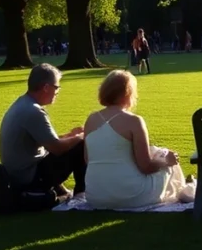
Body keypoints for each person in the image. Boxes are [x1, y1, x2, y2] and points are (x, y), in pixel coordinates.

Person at [83, 70, 193, 209]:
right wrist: (166, 161)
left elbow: (88, 159)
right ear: (128, 93)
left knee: (157, 153)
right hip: (131, 195)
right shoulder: (134, 121)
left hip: (96, 196)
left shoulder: (91, 120)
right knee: (166, 156)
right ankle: (184, 191)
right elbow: (146, 167)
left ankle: (183, 187)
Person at [0, 64, 87, 198]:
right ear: (46, 87)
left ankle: (61, 191)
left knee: (73, 142)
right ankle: (81, 195)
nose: (58, 91)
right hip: (28, 178)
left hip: (17, 174)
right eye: (57, 87)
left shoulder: (22, 104)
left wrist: (70, 136)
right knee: (81, 145)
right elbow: (56, 148)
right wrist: (81, 136)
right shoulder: (33, 111)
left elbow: (47, 141)